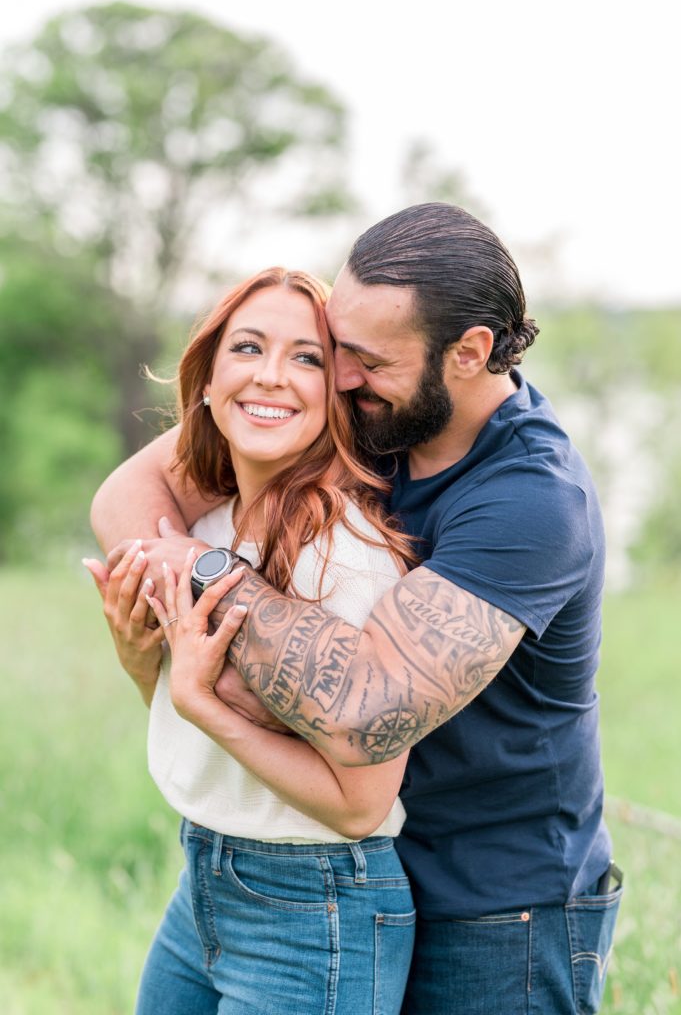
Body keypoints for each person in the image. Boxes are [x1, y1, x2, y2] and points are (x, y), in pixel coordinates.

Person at [91, 203, 622, 1015]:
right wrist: (161, 633)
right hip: (341, 869)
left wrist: (194, 578)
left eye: (366, 359)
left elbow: (364, 710)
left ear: (469, 353)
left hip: (498, 906)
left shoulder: (529, 503)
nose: (338, 376)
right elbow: (135, 491)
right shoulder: (366, 414)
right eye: (336, 348)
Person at [84, 267, 418, 1015]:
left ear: (337, 393)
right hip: (203, 875)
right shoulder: (200, 531)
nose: (272, 376)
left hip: (316, 904)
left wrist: (205, 704)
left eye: (306, 357)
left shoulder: (344, 555)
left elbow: (360, 804)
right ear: (205, 380)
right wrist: (141, 659)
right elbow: (176, 713)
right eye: (247, 347)